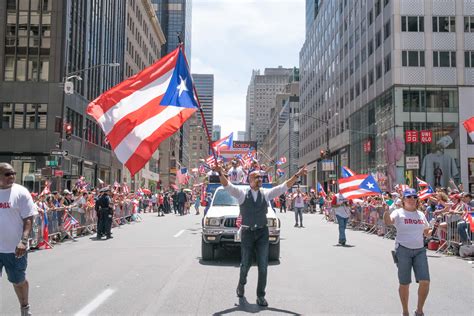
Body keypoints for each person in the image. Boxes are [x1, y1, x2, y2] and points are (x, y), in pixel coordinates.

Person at [214, 163, 307, 307]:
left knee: (263, 266)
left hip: (263, 233)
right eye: (256, 177)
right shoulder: (241, 194)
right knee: (246, 264)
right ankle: (241, 284)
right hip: (247, 233)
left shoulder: (266, 193)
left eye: (260, 177)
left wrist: (297, 175)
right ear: (249, 180)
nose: (259, 179)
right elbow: (228, 186)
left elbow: (283, 187)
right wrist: (220, 173)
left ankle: (260, 296)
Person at [383, 188, 431, 316]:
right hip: (403, 249)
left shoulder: (421, 214)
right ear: (403, 200)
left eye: (414, 197)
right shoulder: (398, 213)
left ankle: (419, 310)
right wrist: (386, 212)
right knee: (404, 282)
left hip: (420, 250)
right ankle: (405, 311)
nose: (412, 199)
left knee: (425, 281)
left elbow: (426, 232)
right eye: (409, 197)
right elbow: (388, 222)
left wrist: (435, 228)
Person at [0, 163, 37, 316]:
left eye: (13, 173)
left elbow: (28, 218)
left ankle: (25, 308)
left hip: (15, 249)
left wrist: (23, 240)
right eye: (7, 174)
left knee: (18, 281)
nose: (12, 176)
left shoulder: (21, 192)